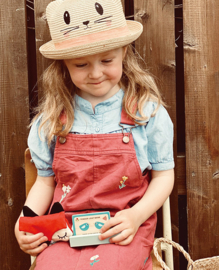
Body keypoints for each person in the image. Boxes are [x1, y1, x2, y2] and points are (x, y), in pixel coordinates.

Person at [14, 0, 174, 269]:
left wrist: (136, 216)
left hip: (123, 228)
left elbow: (163, 176)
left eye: (107, 60)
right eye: (81, 65)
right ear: (64, 64)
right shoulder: (53, 119)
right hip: (64, 231)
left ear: (124, 52)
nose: (96, 73)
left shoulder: (146, 113)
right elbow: (45, 183)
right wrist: (24, 223)